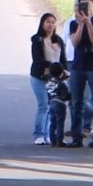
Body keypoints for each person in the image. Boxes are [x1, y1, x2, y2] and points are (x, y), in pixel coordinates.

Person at [66, 0, 93, 146]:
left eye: (87, 4)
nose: (85, 7)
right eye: (82, 4)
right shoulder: (73, 24)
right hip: (77, 65)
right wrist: (81, 23)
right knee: (76, 102)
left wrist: (88, 22)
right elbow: (75, 42)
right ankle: (76, 137)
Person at [29, 13, 68, 144]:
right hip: (40, 77)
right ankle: (39, 134)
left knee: (53, 107)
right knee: (43, 105)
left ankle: (49, 134)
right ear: (42, 24)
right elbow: (38, 59)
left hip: (54, 79)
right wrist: (53, 66)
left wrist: (64, 70)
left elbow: (63, 58)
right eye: (48, 22)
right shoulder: (37, 40)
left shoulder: (58, 40)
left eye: (53, 22)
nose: (51, 25)